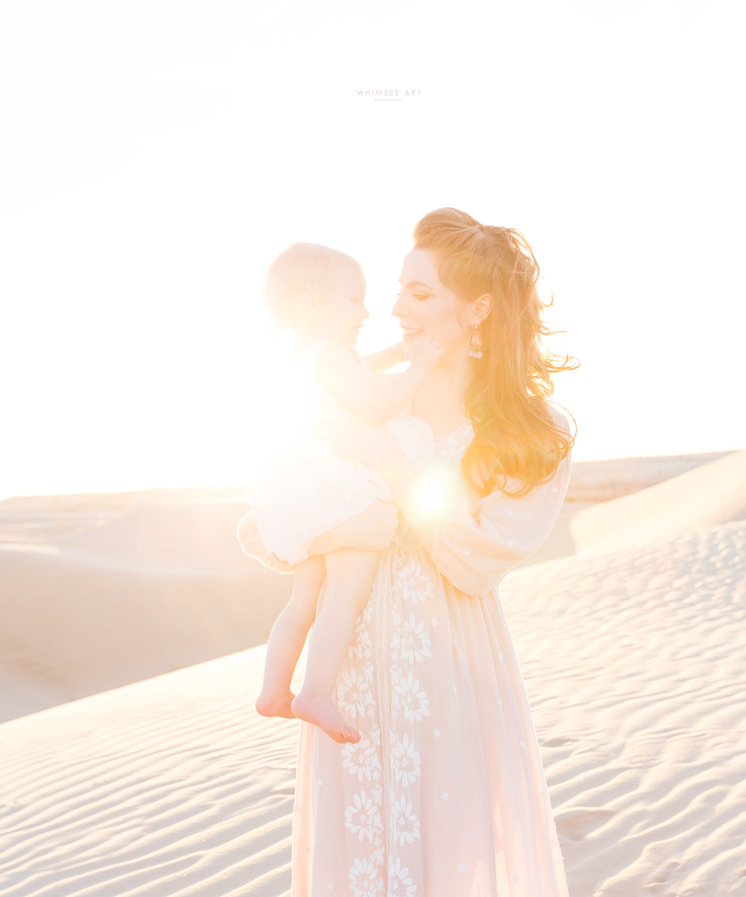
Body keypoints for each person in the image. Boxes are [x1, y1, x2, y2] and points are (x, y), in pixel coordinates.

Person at [237, 208, 578, 896]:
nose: (394, 308)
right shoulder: (361, 398)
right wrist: (338, 521)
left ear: (477, 309)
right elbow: (266, 529)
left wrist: (388, 467)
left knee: (450, 856)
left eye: (419, 294)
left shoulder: (532, 430)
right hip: (351, 670)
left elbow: (477, 559)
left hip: (454, 672)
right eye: (397, 290)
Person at [250, 242, 447, 745]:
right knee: (346, 591)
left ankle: (274, 690)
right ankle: (315, 692)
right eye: (354, 300)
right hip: (342, 493)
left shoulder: (307, 356)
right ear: (317, 304)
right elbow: (374, 403)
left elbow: (357, 368)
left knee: (304, 599)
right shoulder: (336, 356)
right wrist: (419, 368)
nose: (366, 312)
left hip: (306, 496)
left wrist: (402, 351)